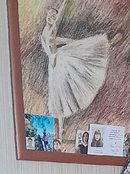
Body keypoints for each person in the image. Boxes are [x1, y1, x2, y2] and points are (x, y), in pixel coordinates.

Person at [40, 1, 111, 135]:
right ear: (46, 16)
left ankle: (61, 128)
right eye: (50, 15)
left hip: (60, 63)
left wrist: (64, 3)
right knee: (57, 95)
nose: (51, 17)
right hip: (53, 65)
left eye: (54, 16)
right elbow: (55, 42)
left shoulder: (53, 29)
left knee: (63, 92)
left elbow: (59, 19)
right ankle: (60, 129)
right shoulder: (45, 32)